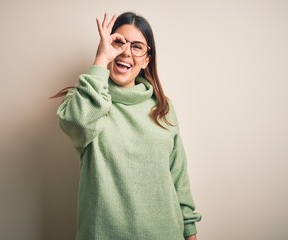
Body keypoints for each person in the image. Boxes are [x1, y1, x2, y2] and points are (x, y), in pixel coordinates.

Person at [54, 11, 202, 240]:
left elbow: (178, 177)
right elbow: (77, 123)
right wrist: (101, 60)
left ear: (147, 59)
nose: (125, 52)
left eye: (137, 47)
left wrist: (190, 233)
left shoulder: (162, 107)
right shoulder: (86, 102)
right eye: (118, 42)